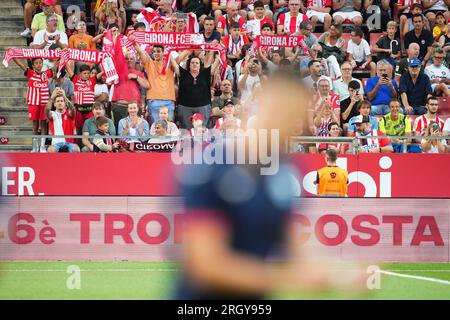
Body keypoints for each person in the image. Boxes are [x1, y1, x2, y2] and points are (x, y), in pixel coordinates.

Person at [174, 72, 367, 300]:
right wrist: (291, 278)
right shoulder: (210, 165)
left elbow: (292, 239)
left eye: (292, 116)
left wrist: (338, 277)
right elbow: (206, 266)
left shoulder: (287, 170)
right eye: (279, 111)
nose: (284, 122)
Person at [12, 57, 57, 153]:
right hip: (33, 102)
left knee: (44, 124)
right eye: (36, 63)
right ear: (33, 65)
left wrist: (62, 57)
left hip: (44, 103)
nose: (39, 65)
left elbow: (54, 68)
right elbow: (21, 65)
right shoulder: (30, 73)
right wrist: (13, 56)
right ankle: (35, 146)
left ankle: (42, 146)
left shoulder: (46, 74)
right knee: (35, 125)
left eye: (40, 63)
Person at [173, 51, 221, 129]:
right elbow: (174, 64)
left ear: (200, 65)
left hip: (203, 106)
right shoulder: (183, 73)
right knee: (186, 131)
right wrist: (168, 53)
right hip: (185, 107)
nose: (194, 64)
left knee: (202, 130)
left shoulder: (205, 73)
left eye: (197, 63)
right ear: (189, 65)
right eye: (192, 62)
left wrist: (219, 53)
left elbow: (216, 63)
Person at [133, 42, 176, 125]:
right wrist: (133, 41)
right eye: (154, 51)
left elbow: (185, 54)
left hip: (169, 101)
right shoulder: (149, 63)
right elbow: (140, 51)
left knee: (169, 130)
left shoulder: (170, 63)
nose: (156, 53)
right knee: (155, 129)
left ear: (163, 53)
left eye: (158, 51)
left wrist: (194, 43)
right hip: (154, 101)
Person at [111, 52, 149, 129]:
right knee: (120, 131)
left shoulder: (139, 73)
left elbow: (147, 85)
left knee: (135, 131)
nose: (129, 60)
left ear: (135, 61)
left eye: (131, 59)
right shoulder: (116, 72)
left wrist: (136, 77)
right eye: (127, 58)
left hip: (135, 107)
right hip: (120, 106)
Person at [65, 62, 104, 133]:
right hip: (78, 110)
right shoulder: (76, 80)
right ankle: (79, 144)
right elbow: (67, 68)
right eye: (85, 73)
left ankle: (89, 143)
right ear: (80, 74)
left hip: (90, 110)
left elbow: (103, 72)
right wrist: (63, 57)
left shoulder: (92, 80)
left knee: (90, 129)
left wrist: (106, 61)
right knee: (79, 130)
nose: (87, 75)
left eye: (88, 73)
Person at [45, 88, 79, 153]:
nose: (60, 103)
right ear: (54, 104)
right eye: (57, 101)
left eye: (61, 101)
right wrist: (52, 98)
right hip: (56, 144)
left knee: (76, 149)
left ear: (64, 103)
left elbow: (73, 109)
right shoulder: (52, 114)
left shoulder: (69, 113)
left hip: (69, 143)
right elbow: (47, 110)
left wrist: (65, 97)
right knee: (50, 150)